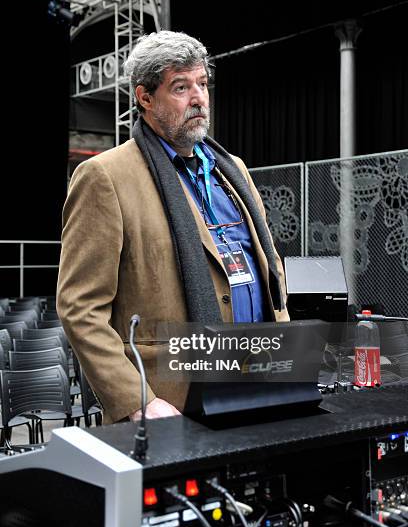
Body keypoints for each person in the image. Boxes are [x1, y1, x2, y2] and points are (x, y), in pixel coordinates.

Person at [57, 30, 290, 425]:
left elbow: (269, 274)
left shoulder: (234, 171)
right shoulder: (104, 177)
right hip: (171, 401)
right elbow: (80, 309)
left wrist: (289, 363)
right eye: (180, 87)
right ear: (145, 97)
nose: (198, 98)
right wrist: (137, 400)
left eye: (202, 84)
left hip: (259, 380)